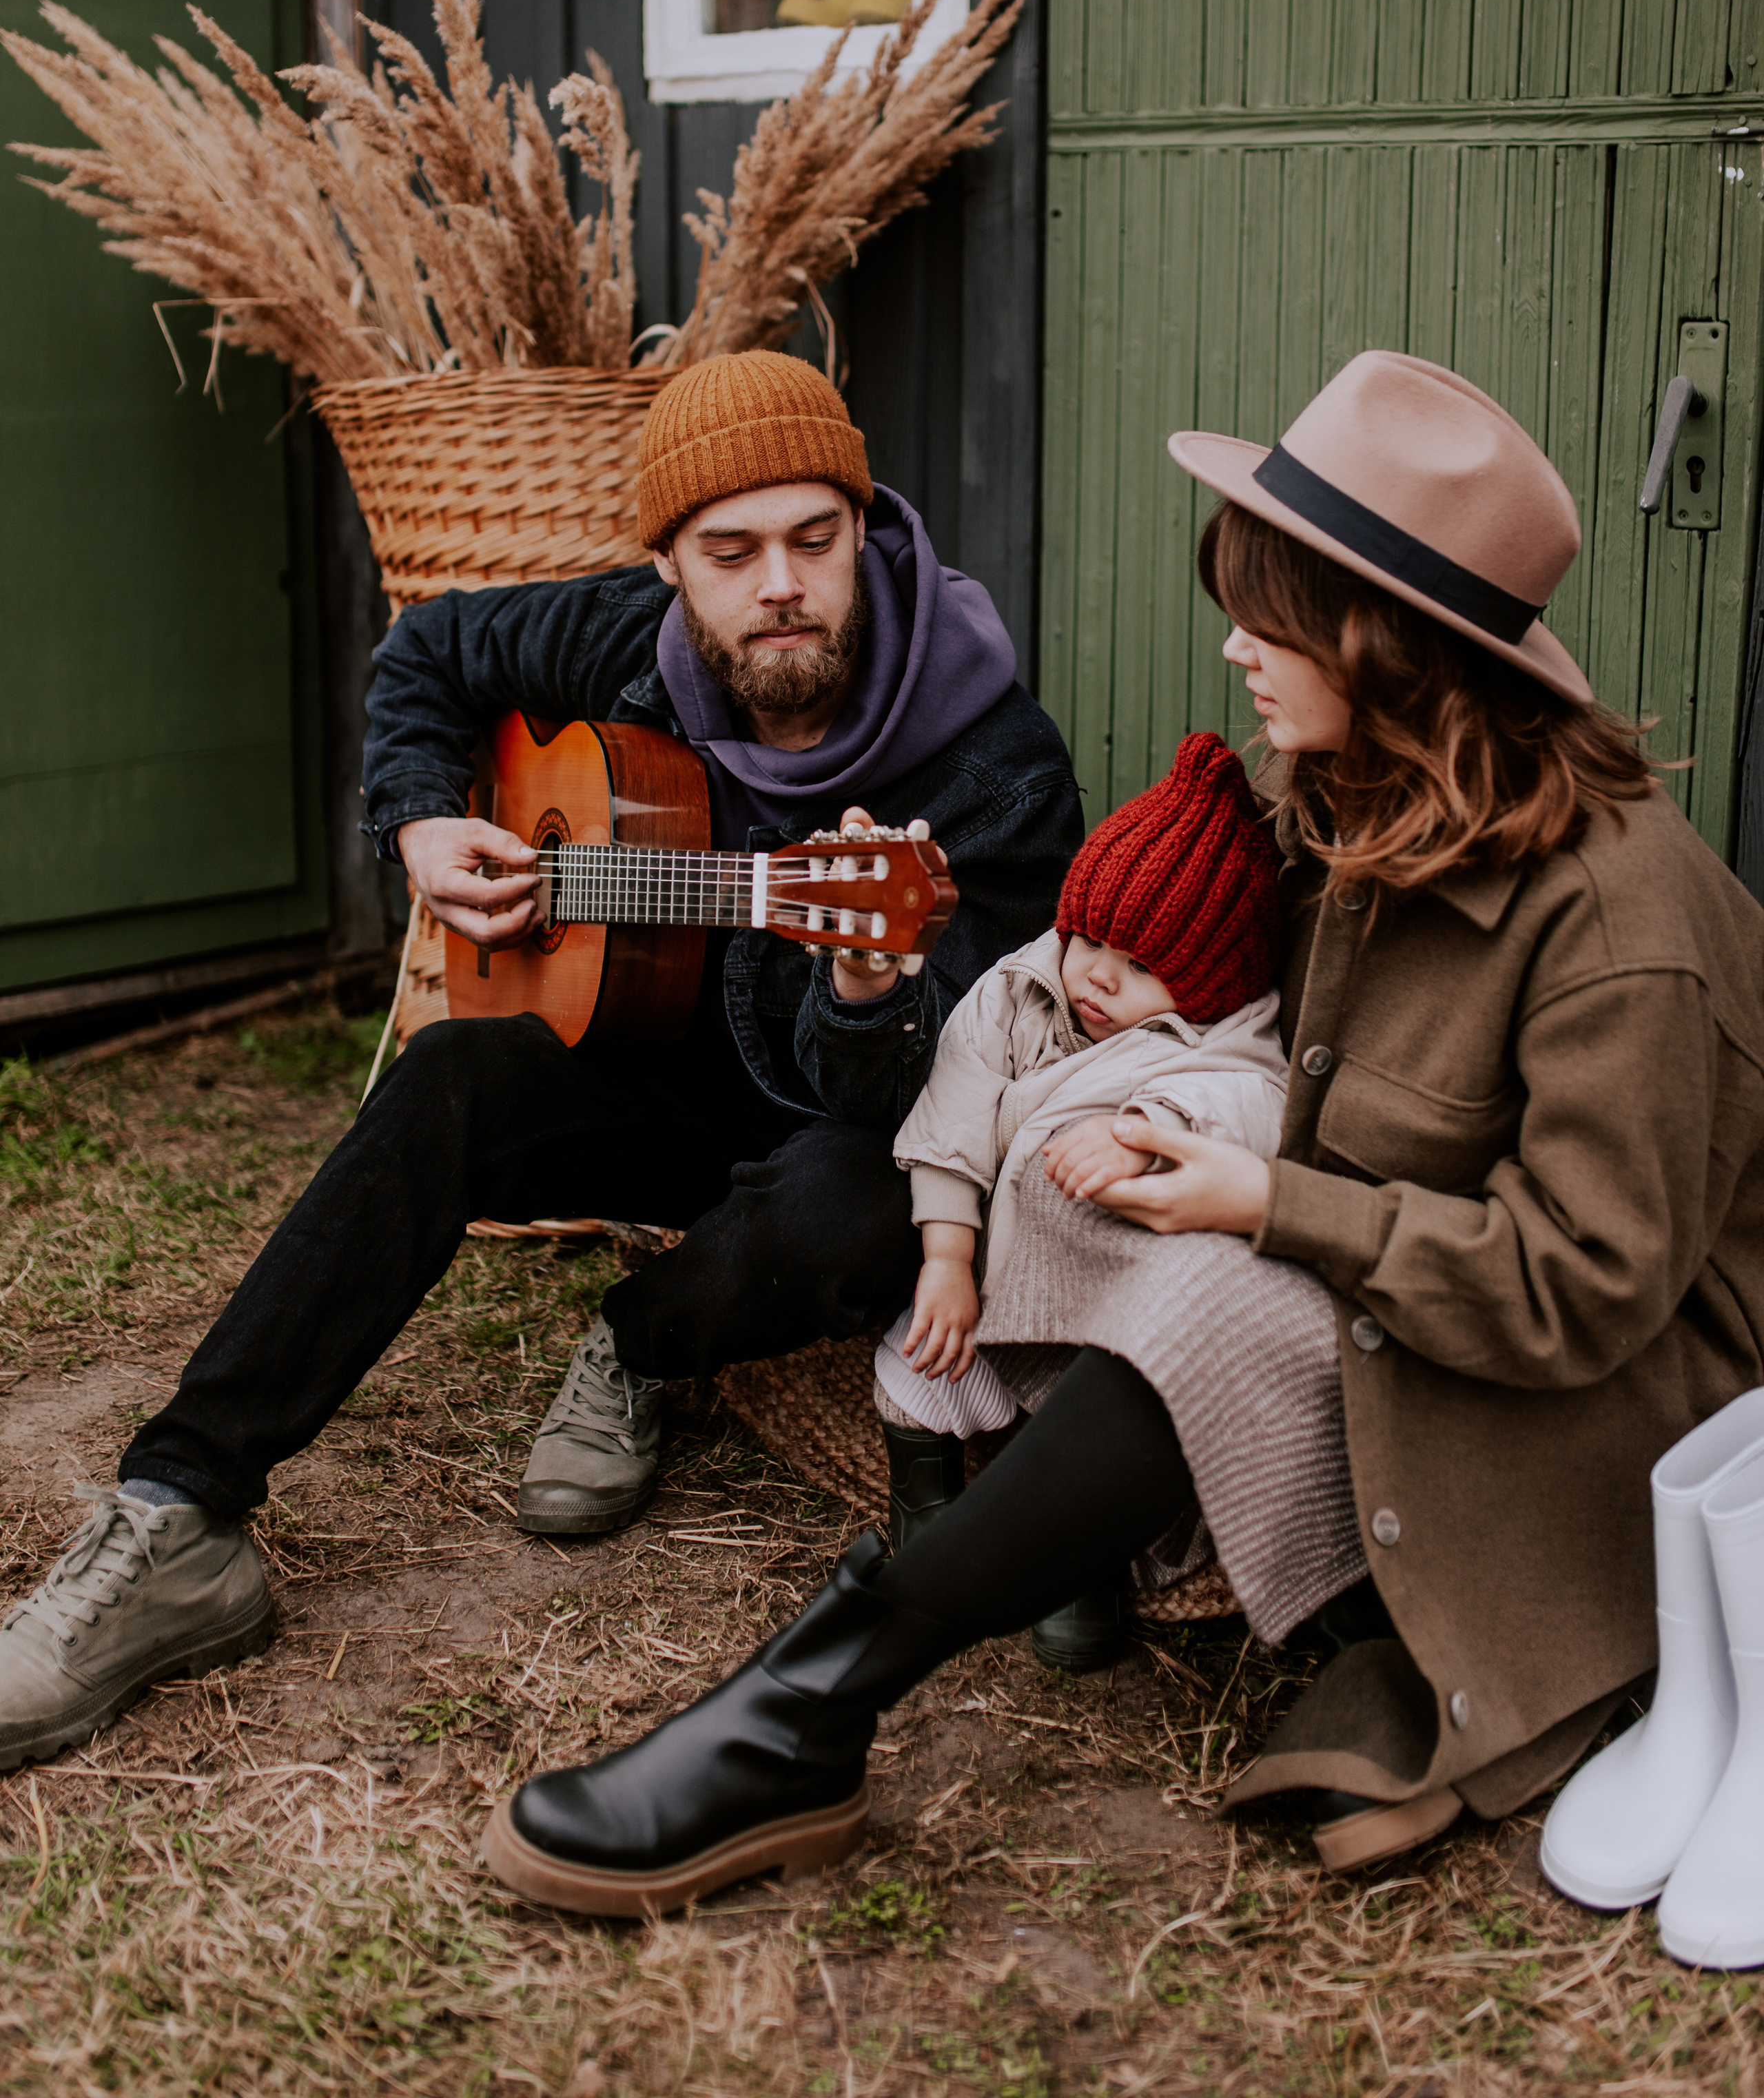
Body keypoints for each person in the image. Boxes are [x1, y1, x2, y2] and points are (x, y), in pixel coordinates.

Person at [479, 347, 1764, 1920]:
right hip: (1405, 1272)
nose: (1230, 642)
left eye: (1268, 613)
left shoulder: (1620, 924)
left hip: (1612, 1378)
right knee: (1101, 1162)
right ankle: (1024, 1571)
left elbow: (1587, 1287)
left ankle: (808, 1706)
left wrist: (1272, 1204)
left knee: (1224, 1293)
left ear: (1389, 644)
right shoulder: (1341, 807)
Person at [0, 353, 1082, 1773]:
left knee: (852, 1212)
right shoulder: (630, 643)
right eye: (729, 552)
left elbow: (962, 1101)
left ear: (862, 532)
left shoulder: (993, 770)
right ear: (670, 568)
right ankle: (177, 1515)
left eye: (813, 541)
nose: (777, 588)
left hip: (857, 1123)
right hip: (650, 1078)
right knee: (450, 1079)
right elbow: (428, 652)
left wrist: (868, 978)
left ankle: (640, 1341)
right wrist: (417, 830)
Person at [872, 732, 1287, 1683]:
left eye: (1137, 965)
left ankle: (1078, 1551)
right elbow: (953, 1115)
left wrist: (1147, 1128)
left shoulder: (1221, 1037)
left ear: (1210, 981)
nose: (1097, 975)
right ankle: (927, 1488)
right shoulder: (1022, 987)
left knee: (1095, 1421)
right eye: (1089, 938)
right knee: (922, 1358)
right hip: (988, 1266)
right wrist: (944, 1254)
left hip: (1097, 1294)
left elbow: (1255, 1099)